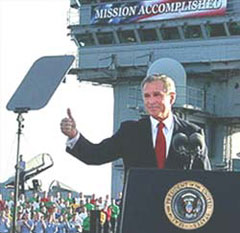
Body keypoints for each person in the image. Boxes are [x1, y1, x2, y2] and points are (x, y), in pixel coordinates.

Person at [60, 74, 211, 175]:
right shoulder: (130, 131)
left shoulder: (192, 133)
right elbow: (95, 155)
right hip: (138, 212)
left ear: (171, 98)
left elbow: (205, 177)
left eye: (157, 95)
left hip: (180, 215)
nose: (151, 101)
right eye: (147, 96)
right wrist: (73, 135)